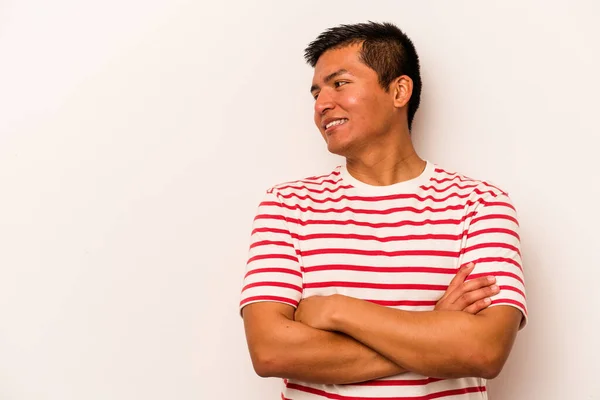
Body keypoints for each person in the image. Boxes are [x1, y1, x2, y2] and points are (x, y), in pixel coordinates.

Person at [240, 21, 527, 399]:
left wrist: (338, 310)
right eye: (316, 93)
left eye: (339, 83)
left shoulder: (480, 204)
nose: (322, 104)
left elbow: (483, 351)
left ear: (399, 91)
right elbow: (271, 352)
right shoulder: (287, 205)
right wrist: (436, 330)